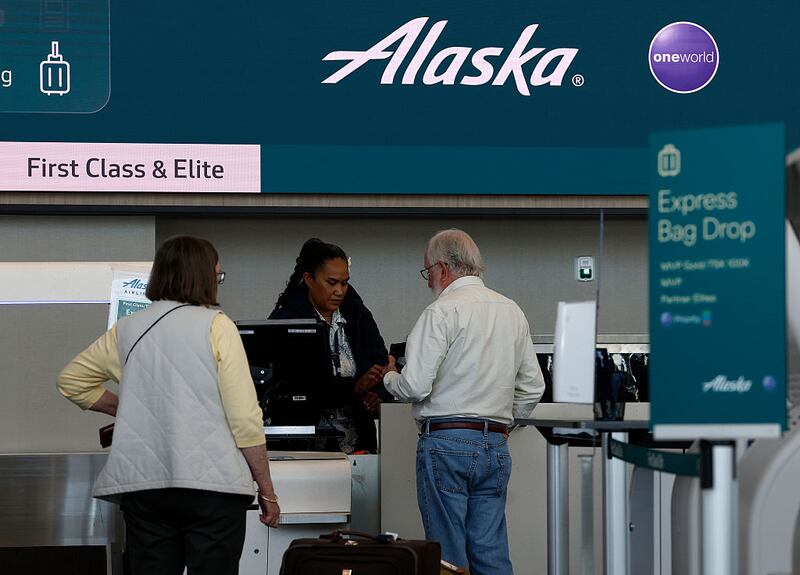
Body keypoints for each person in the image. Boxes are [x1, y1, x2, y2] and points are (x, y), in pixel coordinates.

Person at [57, 236, 280, 575]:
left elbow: (71, 380)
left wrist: (125, 406)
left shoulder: (128, 328)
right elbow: (244, 419)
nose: (218, 284)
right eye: (217, 276)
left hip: (145, 487)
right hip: (214, 488)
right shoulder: (218, 326)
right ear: (202, 276)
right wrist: (267, 491)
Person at [379, 229, 545, 575]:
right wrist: (498, 424)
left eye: (427, 273)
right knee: (491, 552)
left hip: (446, 443)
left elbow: (415, 386)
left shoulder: (440, 312)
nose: (428, 282)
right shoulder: (511, 311)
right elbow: (533, 387)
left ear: (442, 268)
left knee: (447, 557)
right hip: (495, 445)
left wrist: (388, 377)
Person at [269, 238, 388, 454]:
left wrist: (374, 395)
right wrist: (355, 388)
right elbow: (297, 386)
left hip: (358, 445)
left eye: (344, 283)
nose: (340, 291)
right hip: (303, 445)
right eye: (331, 283)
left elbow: (378, 361)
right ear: (308, 279)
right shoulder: (286, 321)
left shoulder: (357, 314)